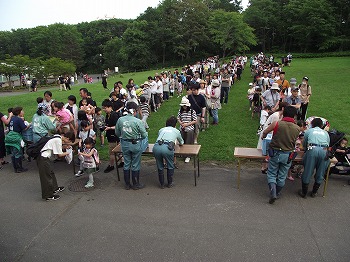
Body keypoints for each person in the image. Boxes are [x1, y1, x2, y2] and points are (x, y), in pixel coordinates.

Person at [262, 106, 300, 204]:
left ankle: (273, 192)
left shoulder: (277, 123)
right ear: (294, 116)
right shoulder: (297, 128)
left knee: (271, 173)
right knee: (282, 175)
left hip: (275, 152)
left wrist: (264, 136)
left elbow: (265, 131)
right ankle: (277, 193)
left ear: (283, 113)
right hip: (288, 155)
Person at [115, 102, 148, 190]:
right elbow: (144, 135)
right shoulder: (138, 121)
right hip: (135, 144)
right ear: (135, 111)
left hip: (124, 144)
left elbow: (117, 133)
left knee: (126, 163)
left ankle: (127, 184)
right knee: (135, 164)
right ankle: (135, 183)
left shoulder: (120, 120)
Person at [36, 131, 76, 201]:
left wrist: (65, 147)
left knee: (51, 173)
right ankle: (48, 195)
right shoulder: (58, 140)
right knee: (46, 177)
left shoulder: (57, 136)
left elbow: (56, 148)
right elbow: (59, 155)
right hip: (44, 158)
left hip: (45, 158)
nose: (68, 142)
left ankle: (55, 188)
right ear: (67, 138)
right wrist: (68, 152)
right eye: (68, 141)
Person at [299, 118, 330, 198]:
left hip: (312, 149)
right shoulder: (325, 133)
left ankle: (304, 192)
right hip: (324, 151)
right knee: (321, 171)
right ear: (321, 125)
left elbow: (304, 145)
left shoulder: (309, 131)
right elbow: (328, 144)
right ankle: (314, 192)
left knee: (308, 170)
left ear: (312, 124)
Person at [152, 116, 184, 188]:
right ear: (175, 125)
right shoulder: (176, 131)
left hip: (156, 147)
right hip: (167, 148)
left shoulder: (161, 129)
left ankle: (162, 184)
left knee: (160, 166)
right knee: (170, 165)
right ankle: (170, 183)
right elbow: (181, 142)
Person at [5, 107, 30, 173]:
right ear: (19, 112)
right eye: (22, 111)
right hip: (16, 137)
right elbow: (24, 128)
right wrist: (29, 125)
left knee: (13, 153)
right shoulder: (19, 120)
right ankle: (19, 168)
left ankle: (15, 168)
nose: (23, 112)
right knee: (18, 153)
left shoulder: (11, 118)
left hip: (9, 137)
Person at [102, 99, 122, 173]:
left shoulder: (114, 115)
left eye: (105, 108)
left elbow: (118, 126)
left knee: (112, 152)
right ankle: (122, 161)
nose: (104, 110)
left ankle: (111, 165)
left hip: (114, 136)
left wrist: (109, 128)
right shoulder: (108, 115)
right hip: (110, 135)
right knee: (117, 150)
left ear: (110, 107)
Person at [177, 97, 197, 163]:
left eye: (185, 105)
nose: (184, 107)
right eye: (183, 106)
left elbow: (195, 120)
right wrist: (181, 123)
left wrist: (187, 124)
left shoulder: (192, 111)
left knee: (188, 141)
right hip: (182, 127)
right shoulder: (180, 111)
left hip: (189, 128)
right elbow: (178, 118)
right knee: (181, 141)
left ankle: (188, 155)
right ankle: (181, 153)